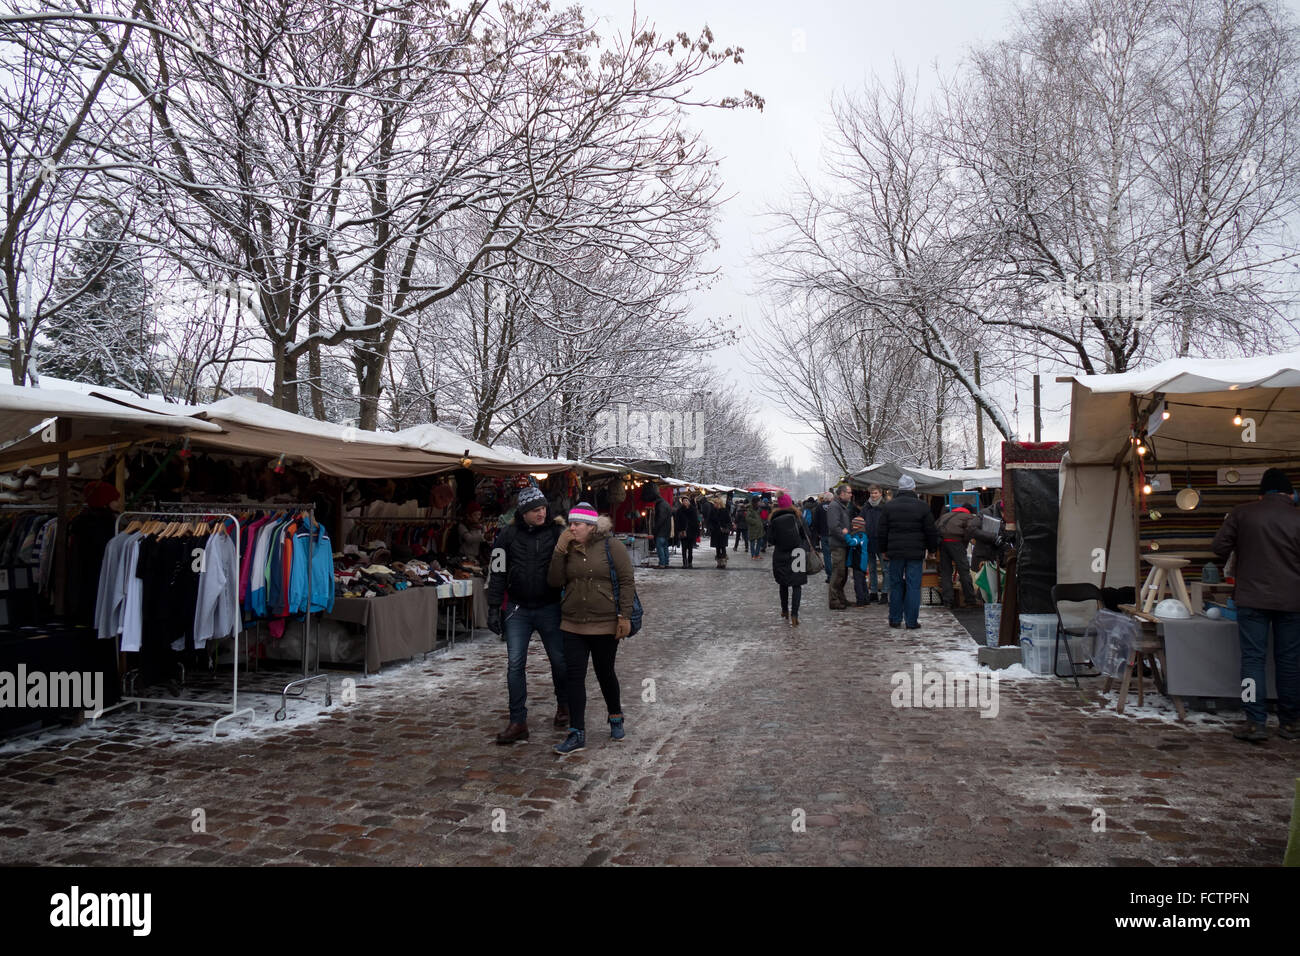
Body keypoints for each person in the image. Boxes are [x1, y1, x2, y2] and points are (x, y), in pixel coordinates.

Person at [1211, 468, 1300, 742]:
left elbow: (1218, 548)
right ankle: (1291, 723)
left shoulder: (1243, 513)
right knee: (1290, 662)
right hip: (1293, 600)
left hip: (1252, 599)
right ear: (1289, 494)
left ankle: (1255, 722)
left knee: (1253, 660)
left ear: (1262, 493)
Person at [548, 503, 635, 756]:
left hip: (605, 621)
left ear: (591, 526)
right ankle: (577, 731)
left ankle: (615, 716)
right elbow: (554, 581)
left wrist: (624, 616)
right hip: (572, 621)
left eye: (577, 524)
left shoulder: (611, 546)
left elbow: (627, 581)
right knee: (573, 676)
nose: (571, 527)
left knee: (604, 671)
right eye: (570, 523)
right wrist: (558, 551)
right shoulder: (568, 548)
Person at [485, 485, 568, 744]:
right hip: (518, 609)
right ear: (523, 513)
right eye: (534, 510)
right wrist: (493, 607)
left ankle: (564, 706)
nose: (540, 513)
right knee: (515, 666)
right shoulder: (505, 537)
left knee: (559, 661)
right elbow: (497, 572)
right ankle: (518, 720)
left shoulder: (557, 533)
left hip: (550, 607)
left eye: (542, 508)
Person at [877, 474, 939, 629]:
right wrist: (932, 549)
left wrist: (883, 550)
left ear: (899, 489)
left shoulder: (889, 506)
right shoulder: (922, 506)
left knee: (896, 585)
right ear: (913, 488)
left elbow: (882, 531)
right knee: (913, 586)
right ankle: (911, 621)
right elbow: (930, 531)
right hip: (915, 553)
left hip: (895, 553)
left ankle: (895, 619)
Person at [935, 501, 996, 609]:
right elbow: (970, 530)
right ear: (970, 511)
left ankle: (947, 601)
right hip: (956, 542)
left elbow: (935, 526)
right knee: (964, 571)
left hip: (942, 543)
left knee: (946, 572)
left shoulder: (946, 515)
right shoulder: (968, 517)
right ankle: (970, 600)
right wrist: (964, 542)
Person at [769, 493, 808, 626]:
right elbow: (806, 535)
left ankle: (784, 610)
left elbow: (771, 540)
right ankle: (795, 615)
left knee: (783, 583)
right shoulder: (798, 517)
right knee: (797, 585)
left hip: (780, 554)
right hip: (798, 553)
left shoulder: (773, 519)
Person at [824, 483, 854, 609]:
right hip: (838, 544)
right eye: (849, 492)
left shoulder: (842, 506)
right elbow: (834, 526)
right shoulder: (835, 506)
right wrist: (846, 537)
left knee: (843, 573)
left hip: (843, 544)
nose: (851, 495)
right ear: (842, 493)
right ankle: (834, 600)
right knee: (838, 572)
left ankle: (841, 598)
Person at [860, 484, 888, 604]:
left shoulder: (886, 506)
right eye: (872, 493)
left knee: (885, 569)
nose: (873, 495)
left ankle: (885, 593)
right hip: (869, 541)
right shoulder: (866, 506)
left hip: (882, 541)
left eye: (875, 493)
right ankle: (874, 592)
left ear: (880, 494)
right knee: (871, 568)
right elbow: (861, 521)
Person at [844, 515, 871, 607]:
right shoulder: (863, 534)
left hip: (858, 563)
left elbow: (852, 543)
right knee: (862, 582)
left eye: (853, 525)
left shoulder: (860, 535)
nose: (852, 526)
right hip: (861, 562)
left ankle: (860, 600)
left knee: (858, 583)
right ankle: (866, 599)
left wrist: (846, 535)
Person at [649, 484, 673, 569]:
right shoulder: (666, 504)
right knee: (665, 547)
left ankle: (662, 563)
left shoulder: (660, 505)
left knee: (660, 548)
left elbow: (660, 519)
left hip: (661, 531)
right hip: (666, 530)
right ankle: (666, 562)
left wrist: (655, 529)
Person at [675, 494, 700, 568]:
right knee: (684, 548)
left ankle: (690, 562)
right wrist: (679, 530)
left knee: (690, 549)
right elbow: (677, 522)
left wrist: (697, 532)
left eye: (686, 500)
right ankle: (684, 563)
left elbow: (696, 522)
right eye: (683, 501)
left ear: (689, 501)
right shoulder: (679, 511)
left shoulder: (693, 510)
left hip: (691, 532)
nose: (685, 502)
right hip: (683, 532)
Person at [707, 497, 733, 568]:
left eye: (715, 503)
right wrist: (711, 528)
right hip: (715, 532)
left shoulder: (724, 511)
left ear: (719, 503)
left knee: (723, 546)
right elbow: (709, 521)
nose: (714, 504)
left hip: (723, 532)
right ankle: (719, 562)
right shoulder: (712, 511)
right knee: (717, 547)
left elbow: (728, 521)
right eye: (714, 503)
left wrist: (725, 527)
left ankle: (723, 562)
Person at [812, 492, 832, 582]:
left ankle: (830, 575)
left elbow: (815, 521)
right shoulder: (835, 506)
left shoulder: (819, 507)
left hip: (824, 534)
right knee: (836, 556)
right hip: (834, 535)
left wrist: (818, 533)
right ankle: (837, 575)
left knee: (827, 556)